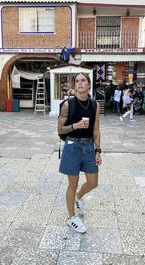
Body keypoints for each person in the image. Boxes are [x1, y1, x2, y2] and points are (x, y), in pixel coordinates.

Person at [57, 73, 102, 233]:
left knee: (93, 182)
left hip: (89, 146)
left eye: (83, 80)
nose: (80, 83)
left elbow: (96, 129)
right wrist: (75, 126)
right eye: (77, 81)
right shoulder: (68, 104)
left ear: (89, 85)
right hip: (73, 146)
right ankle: (71, 217)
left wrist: (98, 150)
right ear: (74, 85)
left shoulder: (95, 105)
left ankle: (78, 196)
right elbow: (60, 129)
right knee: (73, 183)